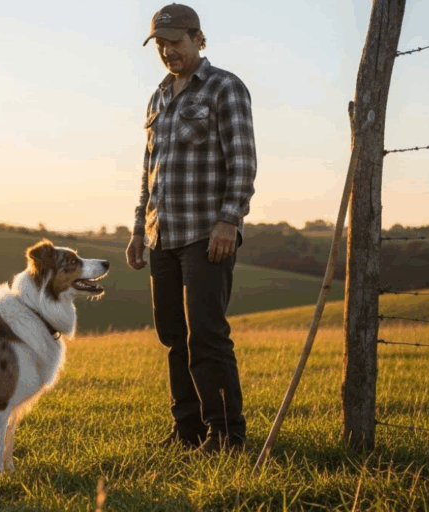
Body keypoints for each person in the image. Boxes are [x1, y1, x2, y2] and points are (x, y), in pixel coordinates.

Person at [126, 3, 257, 454]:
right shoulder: (158, 96)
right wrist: (138, 229)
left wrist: (229, 219)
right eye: (160, 44)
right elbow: (150, 170)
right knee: (173, 337)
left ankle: (227, 435)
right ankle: (188, 432)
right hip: (162, 235)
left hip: (207, 234)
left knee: (206, 334)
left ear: (198, 39)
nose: (167, 51)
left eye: (176, 42)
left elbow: (243, 160)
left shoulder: (225, 88)